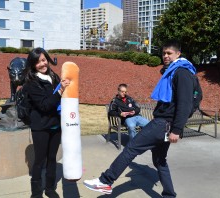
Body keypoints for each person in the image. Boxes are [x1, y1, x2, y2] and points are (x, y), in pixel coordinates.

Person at [83, 40, 196, 197]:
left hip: (163, 123)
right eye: (164, 53)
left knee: (131, 148)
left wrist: (177, 129)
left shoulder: (181, 72)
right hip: (165, 124)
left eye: (169, 53)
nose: (165, 56)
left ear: (178, 54)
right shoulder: (173, 72)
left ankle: (106, 181)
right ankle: (169, 195)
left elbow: (185, 103)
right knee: (160, 161)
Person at [25, 47, 70, 198]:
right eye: (37, 62)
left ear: (48, 60)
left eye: (44, 60)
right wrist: (59, 92)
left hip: (55, 125)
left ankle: (50, 189)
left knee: (52, 158)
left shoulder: (54, 77)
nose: (42, 64)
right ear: (32, 65)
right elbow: (44, 105)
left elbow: (62, 99)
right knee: (40, 160)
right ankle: (36, 193)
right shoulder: (32, 83)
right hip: (41, 127)